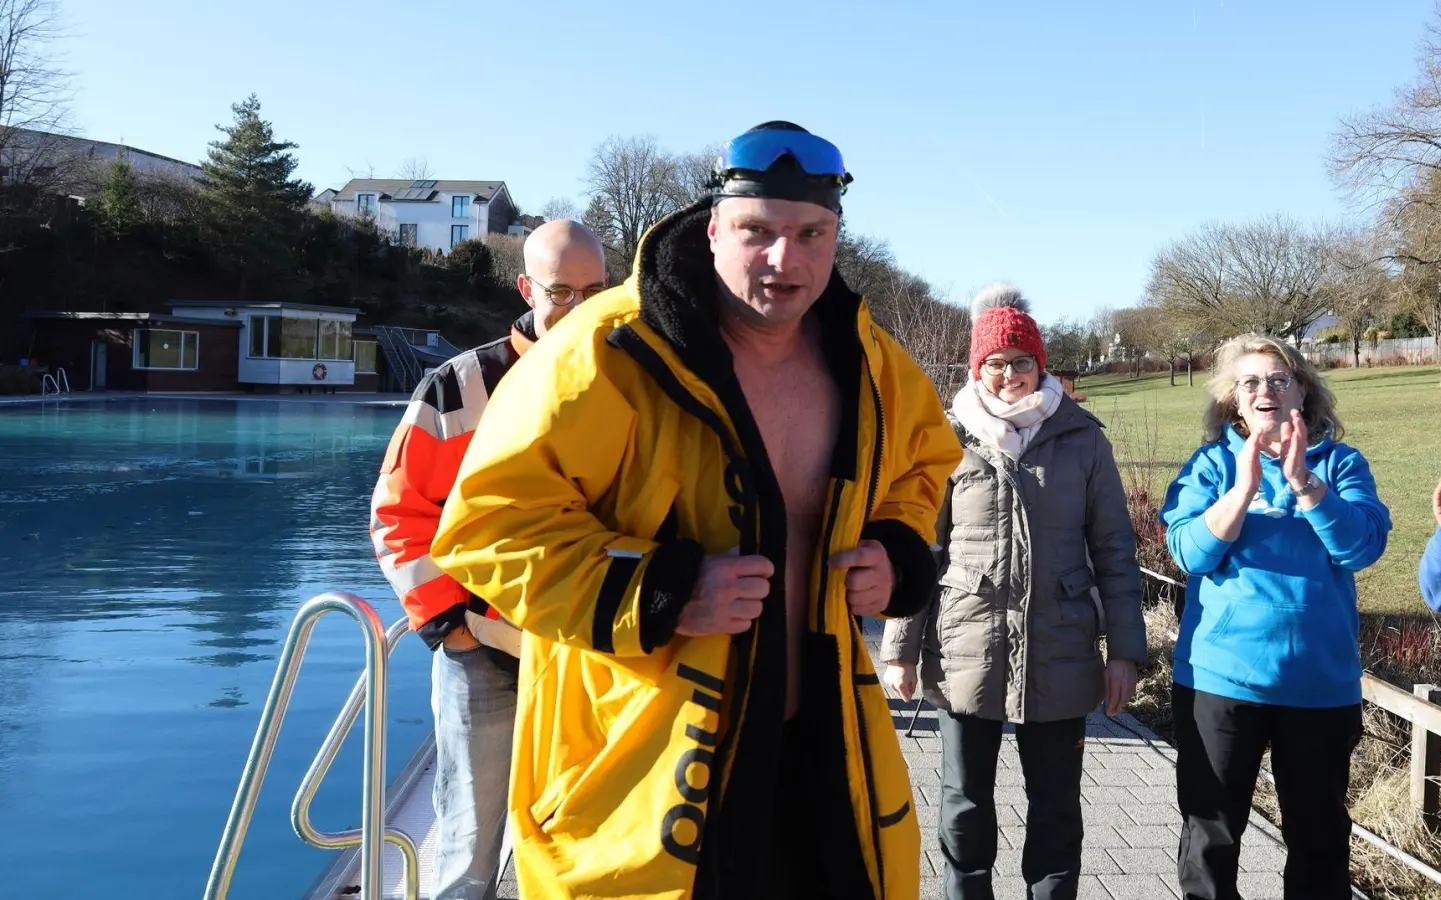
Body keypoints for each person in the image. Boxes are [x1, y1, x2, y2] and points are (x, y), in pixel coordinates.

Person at [430, 122, 964, 899]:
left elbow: (923, 467)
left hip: (822, 755)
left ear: (836, 236)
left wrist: (895, 549)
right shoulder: (605, 352)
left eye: (812, 234)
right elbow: (490, 526)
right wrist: (663, 589)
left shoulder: (870, 361)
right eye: (759, 232)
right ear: (714, 227)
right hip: (648, 766)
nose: (786, 260)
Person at [880, 284, 1147, 900]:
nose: (1008, 375)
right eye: (994, 363)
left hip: (1062, 647)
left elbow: (1114, 550)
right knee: (963, 802)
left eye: (1020, 362)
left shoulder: (1083, 440)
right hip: (965, 643)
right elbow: (920, 546)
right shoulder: (947, 440)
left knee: (1055, 807)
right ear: (977, 368)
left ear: (1040, 365)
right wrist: (899, 646)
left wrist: (1125, 653)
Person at [369, 220, 608, 900]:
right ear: (527, 287)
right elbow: (398, 514)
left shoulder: (631, 381)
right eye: (562, 291)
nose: (580, 307)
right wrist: (453, 627)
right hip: (487, 653)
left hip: (596, 658)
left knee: (586, 848)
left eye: (596, 290)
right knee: (470, 854)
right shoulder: (459, 388)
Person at [1160, 333, 1391, 900]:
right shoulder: (1211, 465)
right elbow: (1188, 552)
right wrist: (1241, 491)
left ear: (1303, 391)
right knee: (1210, 838)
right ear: (1233, 401)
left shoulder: (1339, 464)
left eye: (1280, 379)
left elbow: (1361, 548)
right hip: (1221, 679)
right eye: (1251, 382)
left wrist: (1305, 485)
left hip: (1319, 685)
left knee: (1319, 844)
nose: (1266, 390)